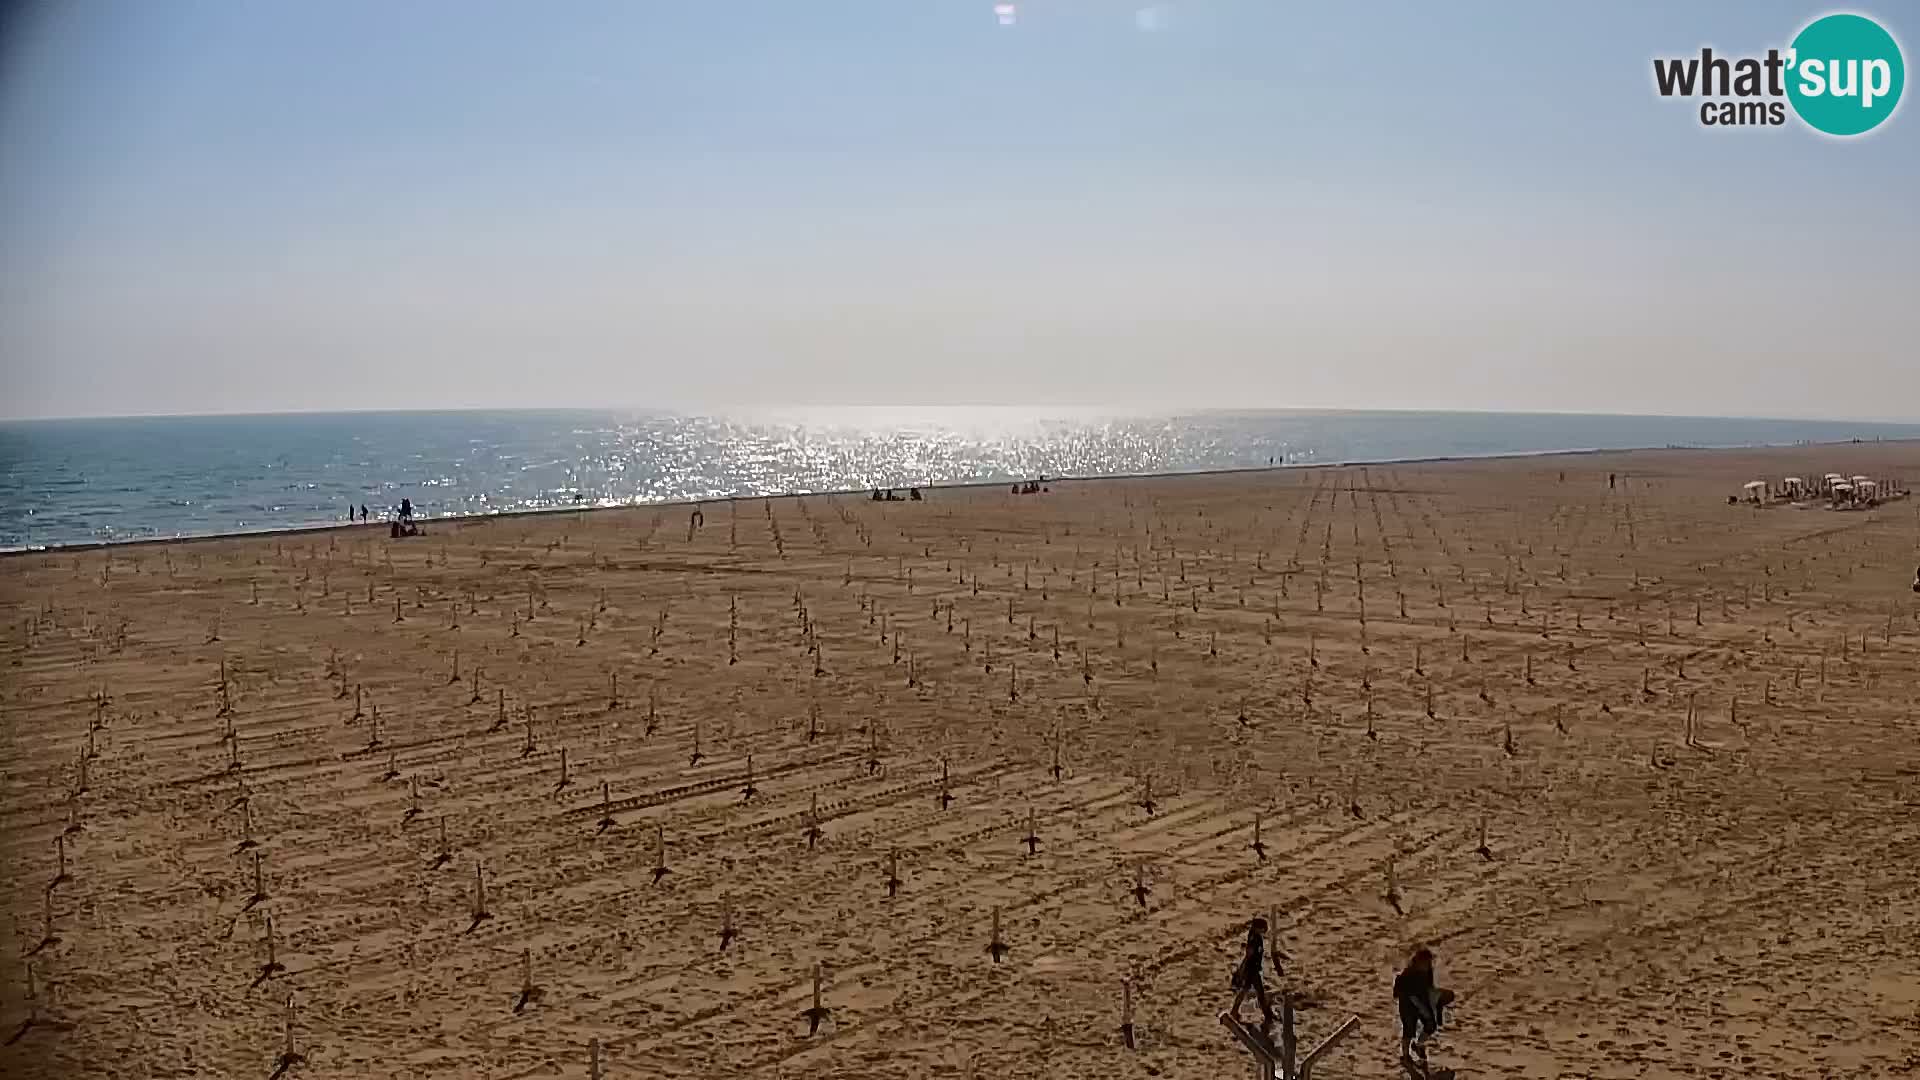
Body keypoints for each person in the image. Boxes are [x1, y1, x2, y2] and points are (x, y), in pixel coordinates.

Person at [1394, 947, 1454, 1066]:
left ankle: (1418, 1045)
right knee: (1408, 1030)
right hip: (1407, 1003)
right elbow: (1410, 996)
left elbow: (1428, 989)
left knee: (1430, 1025)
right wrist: (1424, 1009)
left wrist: (1439, 999)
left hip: (1420, 998)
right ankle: (1405, 1056)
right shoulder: (1408, 974)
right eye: (1426, 962)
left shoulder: (1427, 971)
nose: (1428, 965)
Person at [1229, 916, 1277, 1033]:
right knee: (1258, 992)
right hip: (1252, 970)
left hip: (1254, 969)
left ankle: (1235, 1011)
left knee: (1246, 990)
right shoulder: (1254, 939)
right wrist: (1242, 969)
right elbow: (1248, 955)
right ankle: (1267, 1014)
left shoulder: (1256, 937)